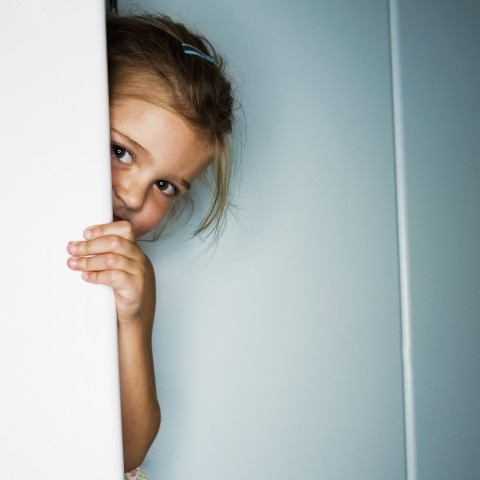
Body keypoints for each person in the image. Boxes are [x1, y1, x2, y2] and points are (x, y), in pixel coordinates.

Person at [66, 13, 235, 478]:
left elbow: (129, 453)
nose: (133, 196)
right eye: (120, 150)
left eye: (165, 185)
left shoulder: (135, 278)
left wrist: (132, 319)